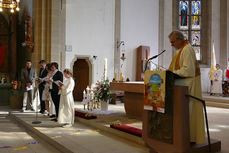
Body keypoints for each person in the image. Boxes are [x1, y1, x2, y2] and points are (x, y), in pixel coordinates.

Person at [168, 31, 205, 144]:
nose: (171, 45)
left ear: (180, 40)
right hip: (183, 84)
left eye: (173, 42)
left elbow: (188, 70)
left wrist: (172, 73)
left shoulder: (187, 49)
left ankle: (190, 138)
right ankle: (183, 136)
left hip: (189, 86)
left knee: (189, 112)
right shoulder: (181, 50)